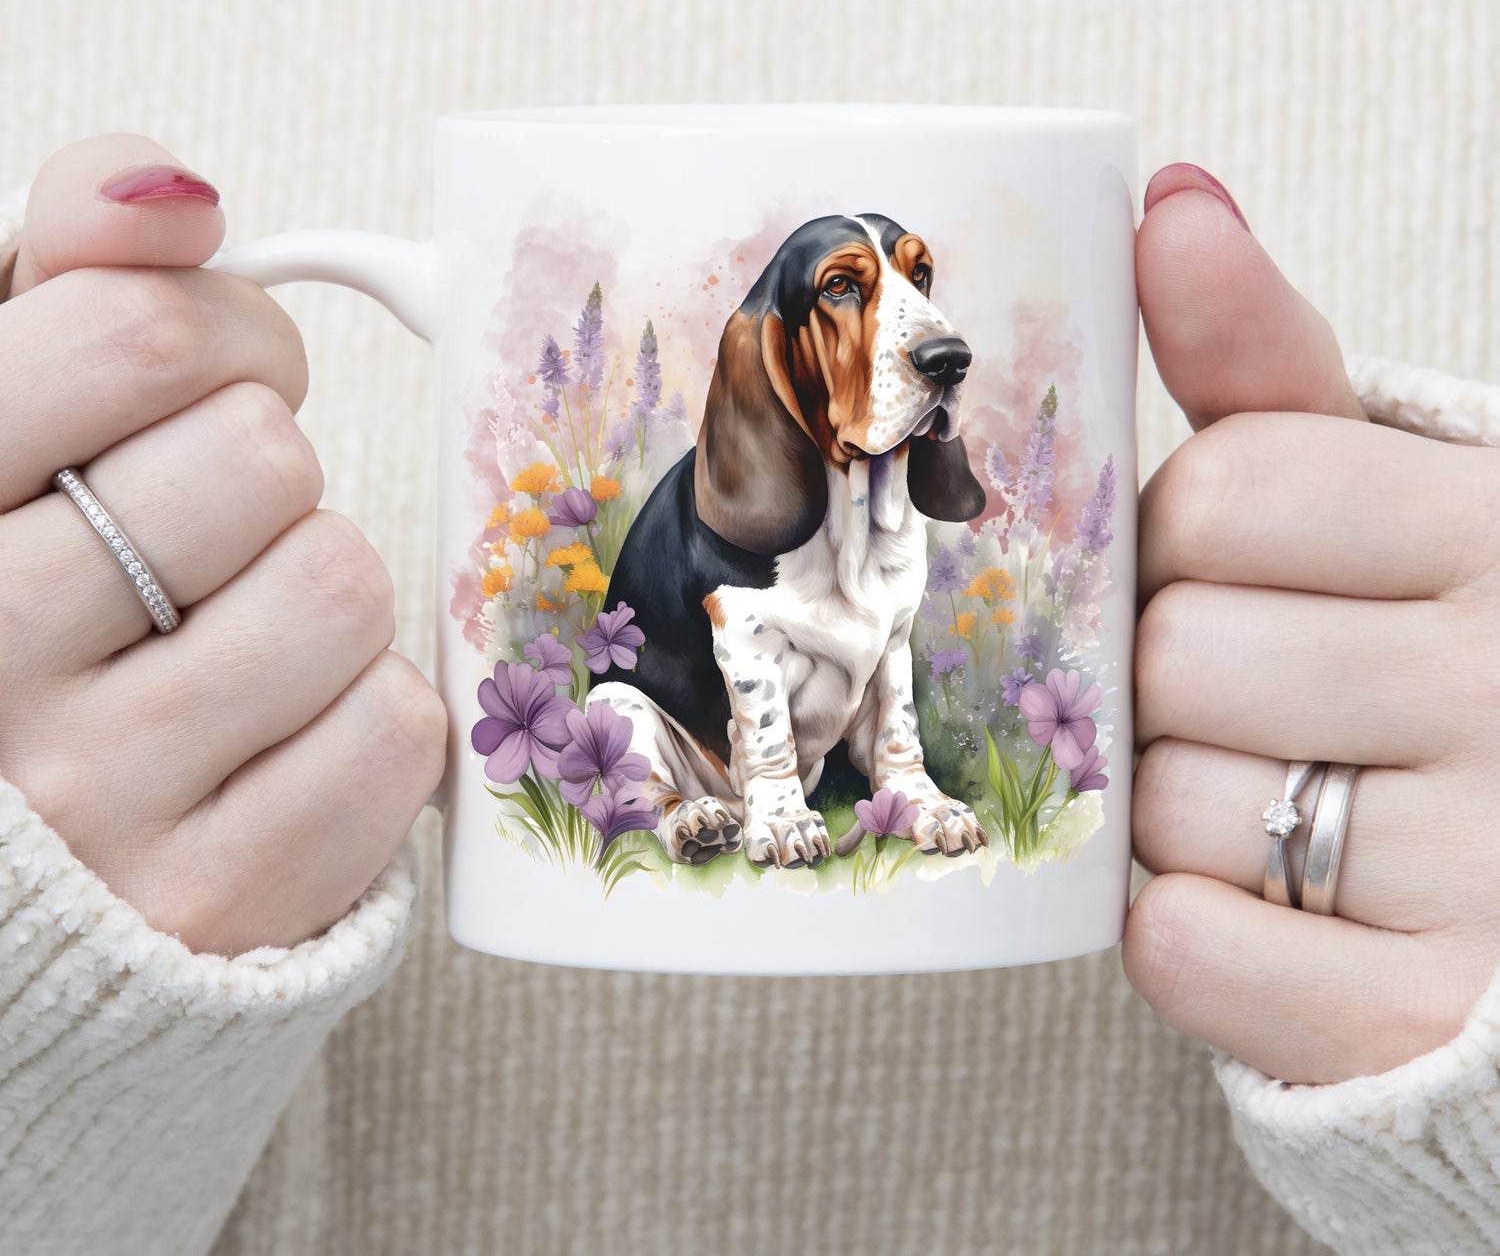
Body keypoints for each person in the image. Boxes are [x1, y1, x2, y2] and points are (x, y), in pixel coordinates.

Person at [1, 135, 1497, 1255]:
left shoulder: (896, 507)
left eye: (916, 282)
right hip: (681, 729)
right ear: (782, 353)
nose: (915, 322)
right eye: (857, 292)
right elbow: (742, 642)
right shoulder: (748, 492)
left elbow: (887, 639)